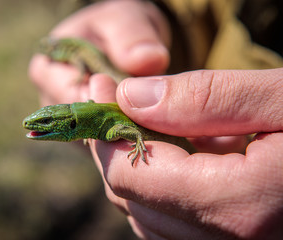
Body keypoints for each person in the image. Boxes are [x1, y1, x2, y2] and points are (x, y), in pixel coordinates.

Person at [28, 0, 283, 239]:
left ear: (71, 124)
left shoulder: (109, 132)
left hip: (209, 143)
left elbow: (131, 132)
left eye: (47, 122)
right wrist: (157, 10)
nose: (35, 125)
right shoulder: (93, 122)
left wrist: (138, 144)